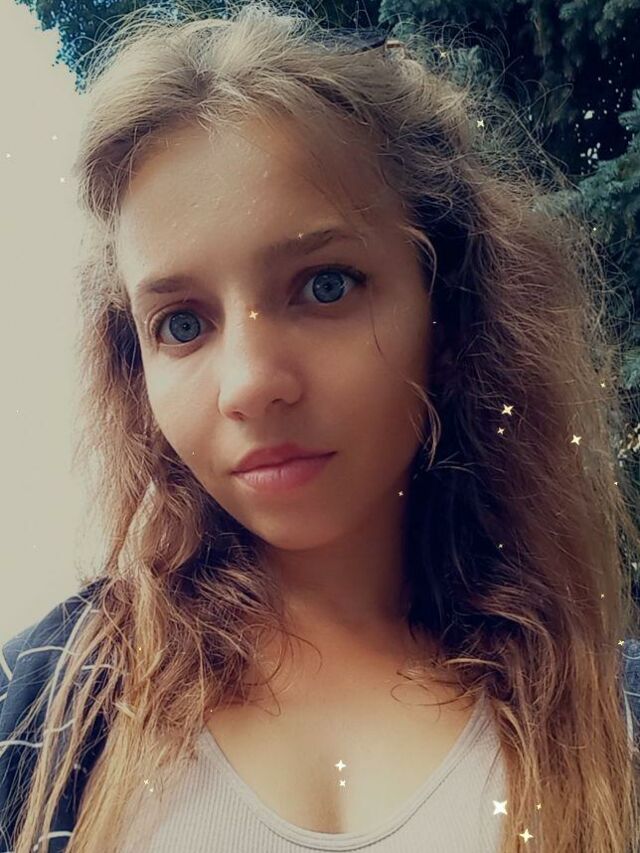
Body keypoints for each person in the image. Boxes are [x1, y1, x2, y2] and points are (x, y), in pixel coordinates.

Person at [1, 2, 640, 851]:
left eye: (325, 285)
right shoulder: (40, 703)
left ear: (448, 304)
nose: (251, 385)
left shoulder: (614, 721)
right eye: (182, 324)